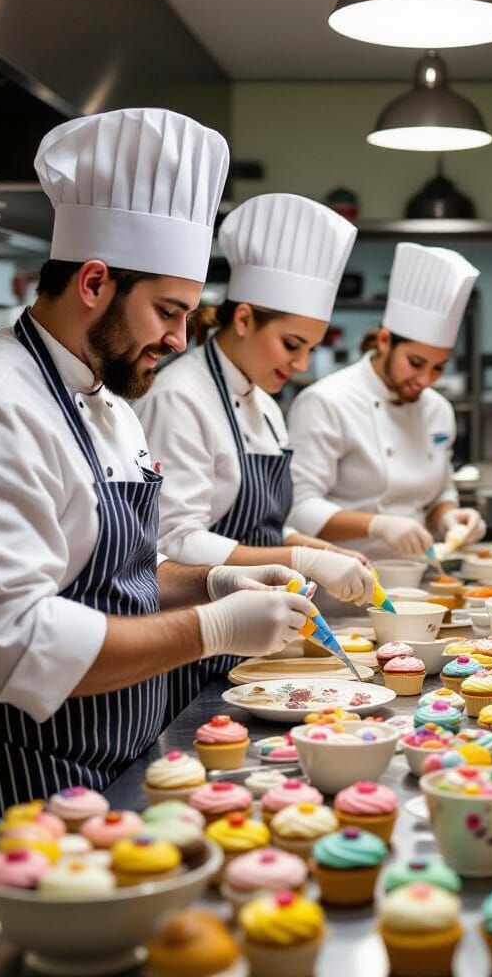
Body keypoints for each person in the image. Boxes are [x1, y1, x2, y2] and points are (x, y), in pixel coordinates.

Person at [0, 109, 312, 926]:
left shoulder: (108, 398)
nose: (176, 339)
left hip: (113, 754)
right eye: (167, 312)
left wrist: (217, 579)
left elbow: (121, 574)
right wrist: (213, 627)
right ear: (95, 282)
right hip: (15, 770)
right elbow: (19, 641)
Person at [137, 193, 376, 712]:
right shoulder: (181, 396)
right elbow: (175, 538)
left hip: (254, 645)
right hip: (197, 641)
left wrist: (318, 548)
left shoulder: (264, 404)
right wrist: (300, 557)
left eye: (310, 348)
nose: (302, 363)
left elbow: (259, 524)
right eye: (292, 344)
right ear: (243, 318)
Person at [286, 242, 486, 561]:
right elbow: (299, 508)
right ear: (384, 341)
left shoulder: (437, 409)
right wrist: (377, 525)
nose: (425, 380)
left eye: (438, 368)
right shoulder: (325, 402)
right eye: (416, 363)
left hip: (419, 580)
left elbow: (439, 494)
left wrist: (449, 516)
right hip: (341, 584)